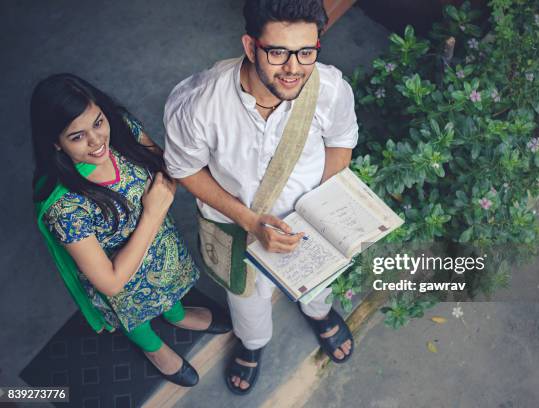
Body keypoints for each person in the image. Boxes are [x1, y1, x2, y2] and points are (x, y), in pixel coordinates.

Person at [163, 0, 358, 394]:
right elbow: (184, 170)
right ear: (250, 47)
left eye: (306, 52)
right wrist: (251, 221)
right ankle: (252, 344)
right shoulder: (199, 105)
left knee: (319, 285)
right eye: (277, 52)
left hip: (308, 221)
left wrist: (316, 212)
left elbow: (341, 141)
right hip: (238, 229)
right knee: (246, 300)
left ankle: (320, 314)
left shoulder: (330, 88)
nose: (293, 68)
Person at [31, 74, 231, 387]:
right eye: (77, 137)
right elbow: (110, 282)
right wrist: (152, 213)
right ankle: (153, 348)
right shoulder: (66, 208)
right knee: (135, 315)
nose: (97, 141)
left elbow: (166, 166)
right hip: (124, 279)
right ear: (55, 143)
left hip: (163, 250)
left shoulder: (122, 129)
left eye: (98, 122)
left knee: (170, 286)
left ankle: (176, 315)